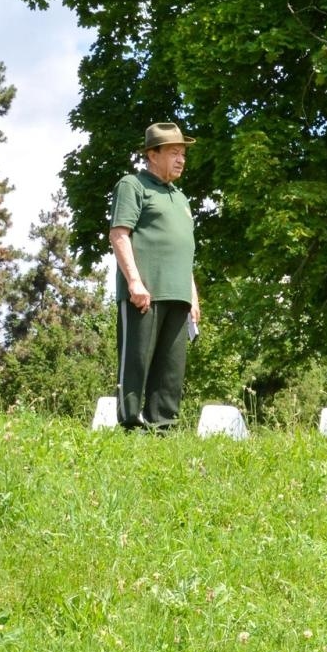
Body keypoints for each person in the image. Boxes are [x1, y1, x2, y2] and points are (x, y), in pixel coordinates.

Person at [109, 122, 201, 431]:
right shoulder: (132, 185)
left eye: (183, 154)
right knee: (136, 363)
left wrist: (193, 294)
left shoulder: (181, 198)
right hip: (144, 292)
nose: (181, 159)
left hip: (178, 294)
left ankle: (163, 428)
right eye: (174, 152)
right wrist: (134, 281)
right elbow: (120, 234)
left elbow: (182, 249)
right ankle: (131, 426)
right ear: (152, 154)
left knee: (171, 369)